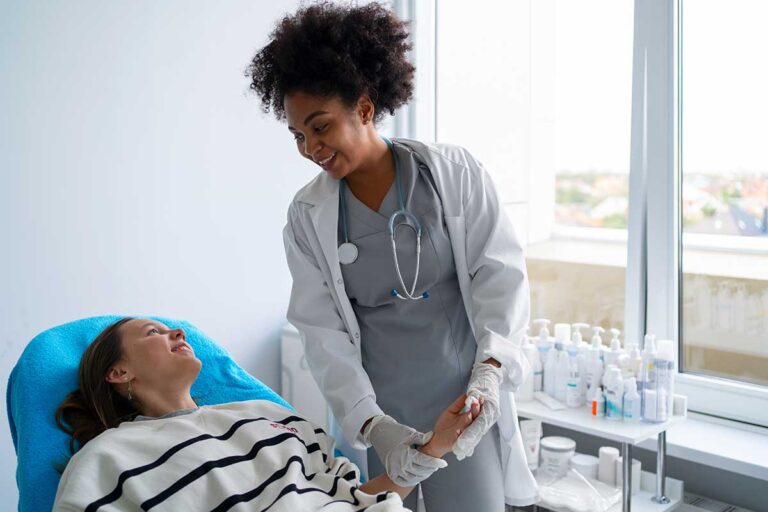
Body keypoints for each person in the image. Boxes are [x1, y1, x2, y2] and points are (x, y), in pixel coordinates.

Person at [247, 2, 539, 510]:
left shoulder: (453, 173)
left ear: (363, 107)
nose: (309, 146)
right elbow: (321, 333)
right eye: (298, 134)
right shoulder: (307, 216)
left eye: (320, 126)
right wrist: (371, 424)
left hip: (464, 399)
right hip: (383, 415)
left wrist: (491, 372)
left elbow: (502, 277)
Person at [53, 318, 478, 512]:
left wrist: (434, 446)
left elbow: (359, 498)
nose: (177, 333)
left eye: (170, 329)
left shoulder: (269, 416)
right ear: (118, 372)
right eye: (154, 333)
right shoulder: (108, 458)